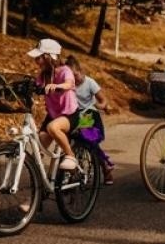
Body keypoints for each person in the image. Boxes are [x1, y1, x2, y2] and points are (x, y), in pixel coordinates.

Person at [29, 38, 78, 171]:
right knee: (39, 146)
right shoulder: (43, 75)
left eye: (39, 58)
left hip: (69, 114)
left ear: (49, 57)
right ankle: (42, 182)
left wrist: (57, 86)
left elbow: (70, 83)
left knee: (53, 128)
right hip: (53, 114)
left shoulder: (64, 71)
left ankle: (70, 155)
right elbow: (35, 86)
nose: (36, 61)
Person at [65, 54, 114, 185]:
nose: (74, 79)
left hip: (90, 115)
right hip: (76, 116)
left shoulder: (90, 83)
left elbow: (103, 101)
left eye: (76, 75)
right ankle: (69, 172)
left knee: (89, 140)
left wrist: (100, 106)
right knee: (69, 141)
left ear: (81, 71)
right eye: (71, 77)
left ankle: (105, 167)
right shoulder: (68, 85)